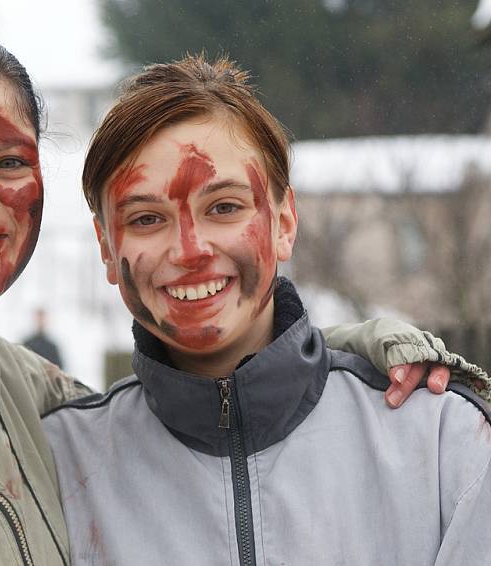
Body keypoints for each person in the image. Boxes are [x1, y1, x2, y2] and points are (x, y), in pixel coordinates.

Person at [0, 22, 480, 565]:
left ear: (283, 221)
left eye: (7, 163)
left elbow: (240, 399)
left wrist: (348, 356)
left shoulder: (40, 409)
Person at [43, 55, 491, 566]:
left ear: (284, 222)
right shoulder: (58, 465)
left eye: (224, 207)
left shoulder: (441, 438)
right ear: (106, 248)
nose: (189, 250)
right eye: (146, 219)